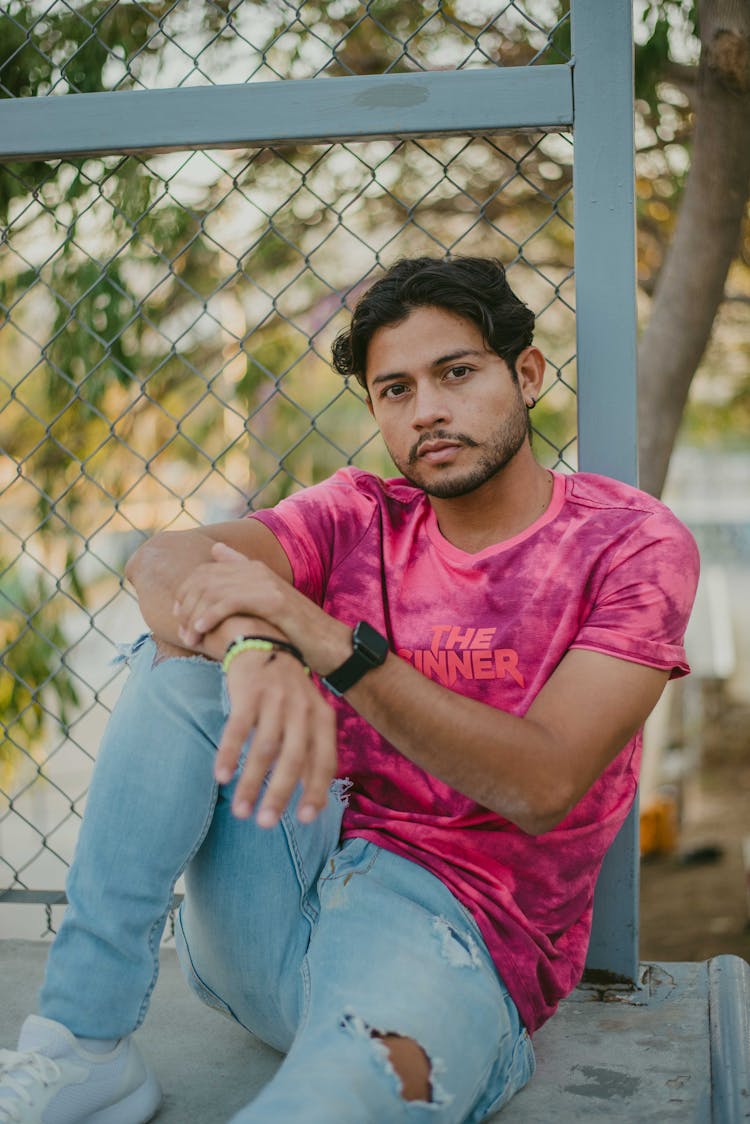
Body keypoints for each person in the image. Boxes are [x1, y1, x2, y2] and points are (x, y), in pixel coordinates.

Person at [0, 257, 699, 1124]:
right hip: (277, 902)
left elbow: (543, 785)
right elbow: (164, 564)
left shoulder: (626, 543)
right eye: (394, 390)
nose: (427, 411)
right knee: (178, 668)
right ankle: (82, 1044)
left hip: (450, 938)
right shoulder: (356, 512)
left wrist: (330, 647)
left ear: (525, 374)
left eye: (456, 373)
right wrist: (256, 650)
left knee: (325, 1106)